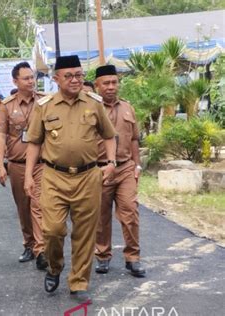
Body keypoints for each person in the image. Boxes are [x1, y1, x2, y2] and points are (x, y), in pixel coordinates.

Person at [24, 55, 117, 302]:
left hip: (88, 176)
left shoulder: (94, 103)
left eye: (78, 75)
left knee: (85, 232)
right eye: (69, 76)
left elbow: (109, 136)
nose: (75, 80)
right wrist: (28, 176)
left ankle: (78, 281)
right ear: (56, 79)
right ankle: (55, 267)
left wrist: (111, 162)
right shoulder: (44, 106)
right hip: (54, 176)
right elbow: (34, 143)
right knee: (52, 229)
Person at [0, 62, 47, 269]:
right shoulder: (6, 106)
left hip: (42, 165)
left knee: (38, 204)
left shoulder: (44, 102)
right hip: (16, 164)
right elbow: (0, 136)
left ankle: (41, 249)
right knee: (23, 206)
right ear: (15, 81)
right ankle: (29, 243)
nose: (31, 81)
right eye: (26, 78)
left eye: (32, 77)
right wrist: (0, 165)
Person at [94, 65, 146, 277]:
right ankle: (103, 256)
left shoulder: (127, 108)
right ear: (97, 86)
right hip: (100, 169)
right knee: (101, 217)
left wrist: (137, 164)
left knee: (130, 212)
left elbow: (133, 138)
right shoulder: (91, 109)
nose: (111, 87)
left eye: (114, 82)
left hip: (125, 168)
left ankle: (132, 258)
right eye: (106, 83)